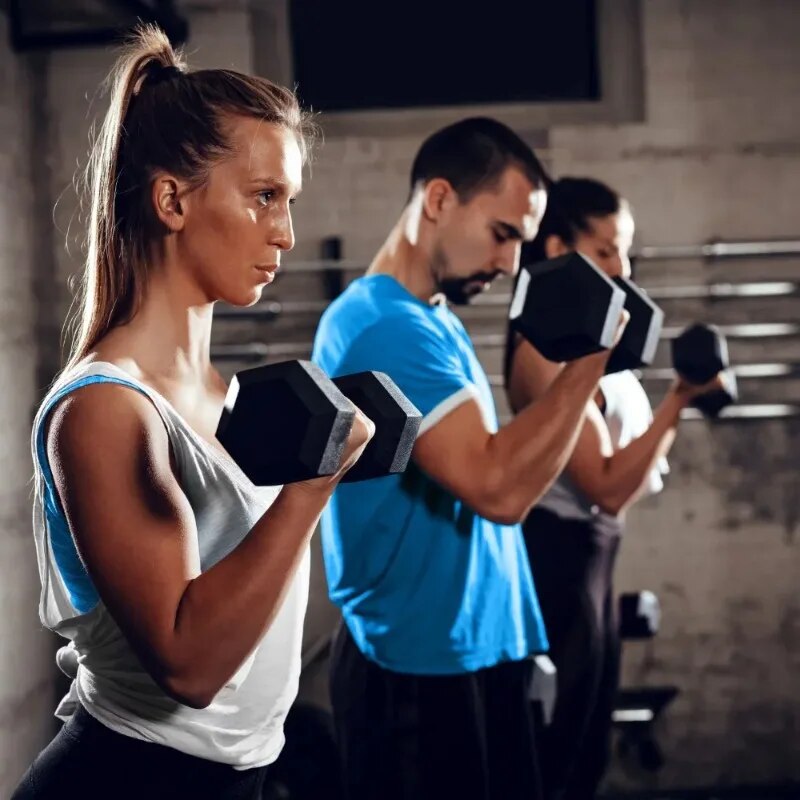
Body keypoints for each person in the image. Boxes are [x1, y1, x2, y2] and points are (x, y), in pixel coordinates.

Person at [13, 25, 372, 800]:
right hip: (129, 780)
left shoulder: (221, 395)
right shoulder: (105, 409)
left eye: (290, 201)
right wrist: (312, 489)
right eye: (264, 197)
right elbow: (189, 665)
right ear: (172, 199)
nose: (286, 233)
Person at [311, 118, 627, 800]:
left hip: (472, 650)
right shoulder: (383, 325)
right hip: (417, 665)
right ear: (439, 200)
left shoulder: (433, 319)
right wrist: (590, 361)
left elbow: (499, 476)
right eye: (503, 233)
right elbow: (499, 490)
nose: (511, 262)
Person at [505, 176, 721, 800]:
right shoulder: (544, 352)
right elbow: (605, 486)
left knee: (586, 745)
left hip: (593, 559)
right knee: (559, 753)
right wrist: (679, 398)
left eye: (625, 251)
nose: (621, 267)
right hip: (558, 560)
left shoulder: (591, 343)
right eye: (604, 251)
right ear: (554, 251)